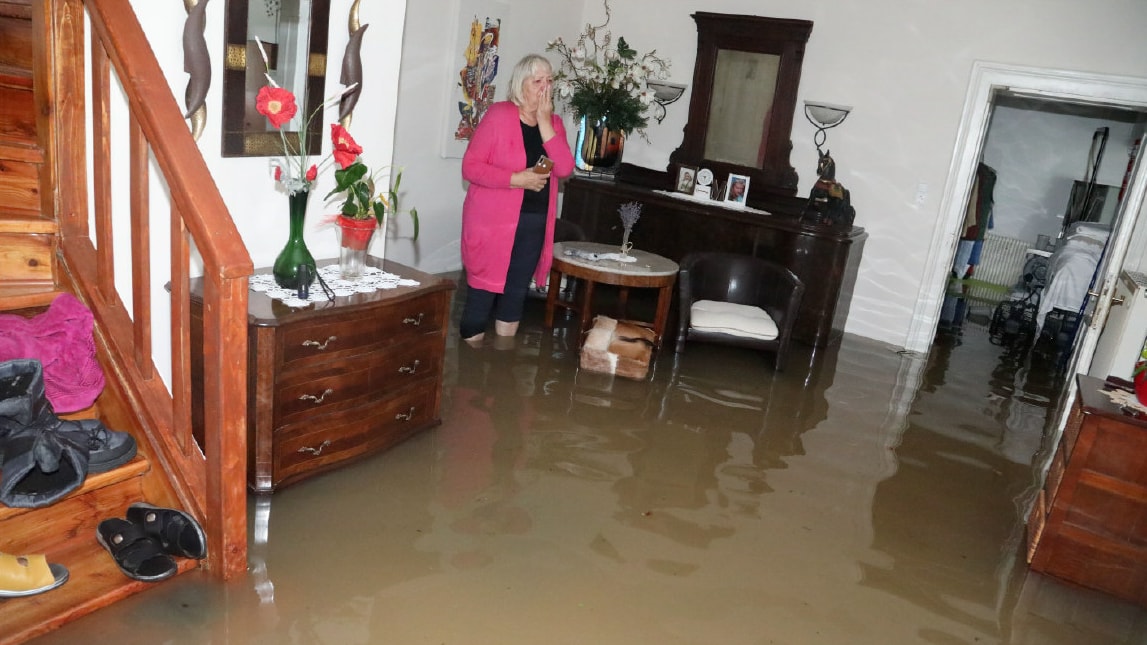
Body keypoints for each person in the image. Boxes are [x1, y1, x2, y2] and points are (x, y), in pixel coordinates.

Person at [459, 54, 575, 344]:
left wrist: (545, 122)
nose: (545, 87)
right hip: (492, 223)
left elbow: (563, 168)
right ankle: (468, 375)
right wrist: (515, 179)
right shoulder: (499, 114)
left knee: (515, 295)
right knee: (482, 293)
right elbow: (470, 167)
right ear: (521, 84)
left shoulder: (555, 123)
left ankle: (501, 369)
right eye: (538, 81)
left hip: (533, 223)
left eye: (550, 81)